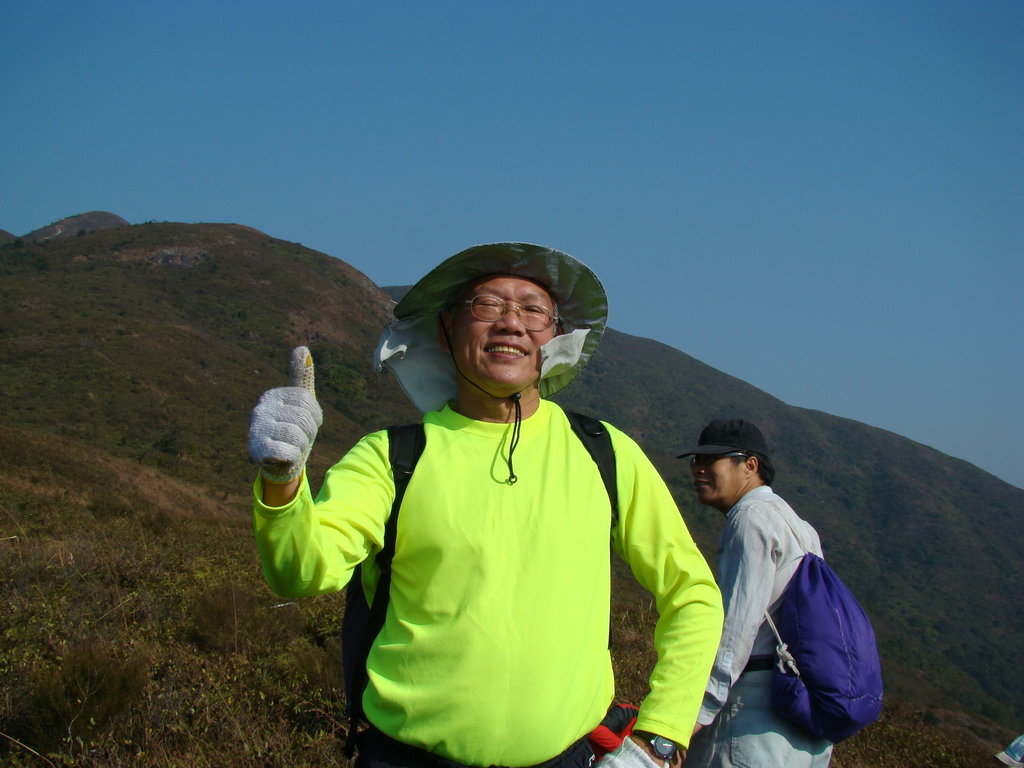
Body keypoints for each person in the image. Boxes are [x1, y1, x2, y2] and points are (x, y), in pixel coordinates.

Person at [247, 242, 724, 768]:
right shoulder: (391, 457)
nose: (511, 323)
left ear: (555, 337)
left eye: (533, 310)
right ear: (446, 329)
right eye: (487, 305)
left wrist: (661, 734)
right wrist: (283, 480)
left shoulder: (606, 453)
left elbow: (692, 593)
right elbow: (299, 571)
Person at [678, 419, 833, 768]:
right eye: (695, 460)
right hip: (801, 718)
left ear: (750, 465)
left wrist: (695, 714)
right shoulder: (800, 527)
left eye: (710, 460)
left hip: (750, 721)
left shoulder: (750, 519)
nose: (698, 469)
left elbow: (736, 629)